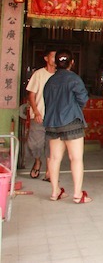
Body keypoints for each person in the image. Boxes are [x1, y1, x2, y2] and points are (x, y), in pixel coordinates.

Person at [43, 49, 91, 203]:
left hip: (52, 123)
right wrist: (73, 109)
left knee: (54, 158)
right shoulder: (74, 79)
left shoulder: (50, 81)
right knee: (76, 158)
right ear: (72, 63)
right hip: (72, 122)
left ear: (56, 63)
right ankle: (77, 194)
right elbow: (83, 99)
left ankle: (55, 191)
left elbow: (47, 101)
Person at [25, 49, 56, 181]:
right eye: (52, 56)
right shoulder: (38, 74)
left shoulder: (60, 75)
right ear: (46, 58)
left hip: (54, 118)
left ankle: (49, 171)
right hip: (39, 115)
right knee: (35, 144)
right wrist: (36, 111)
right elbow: (31, 95)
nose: (55, 59)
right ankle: (38, 161)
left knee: (52, 145)